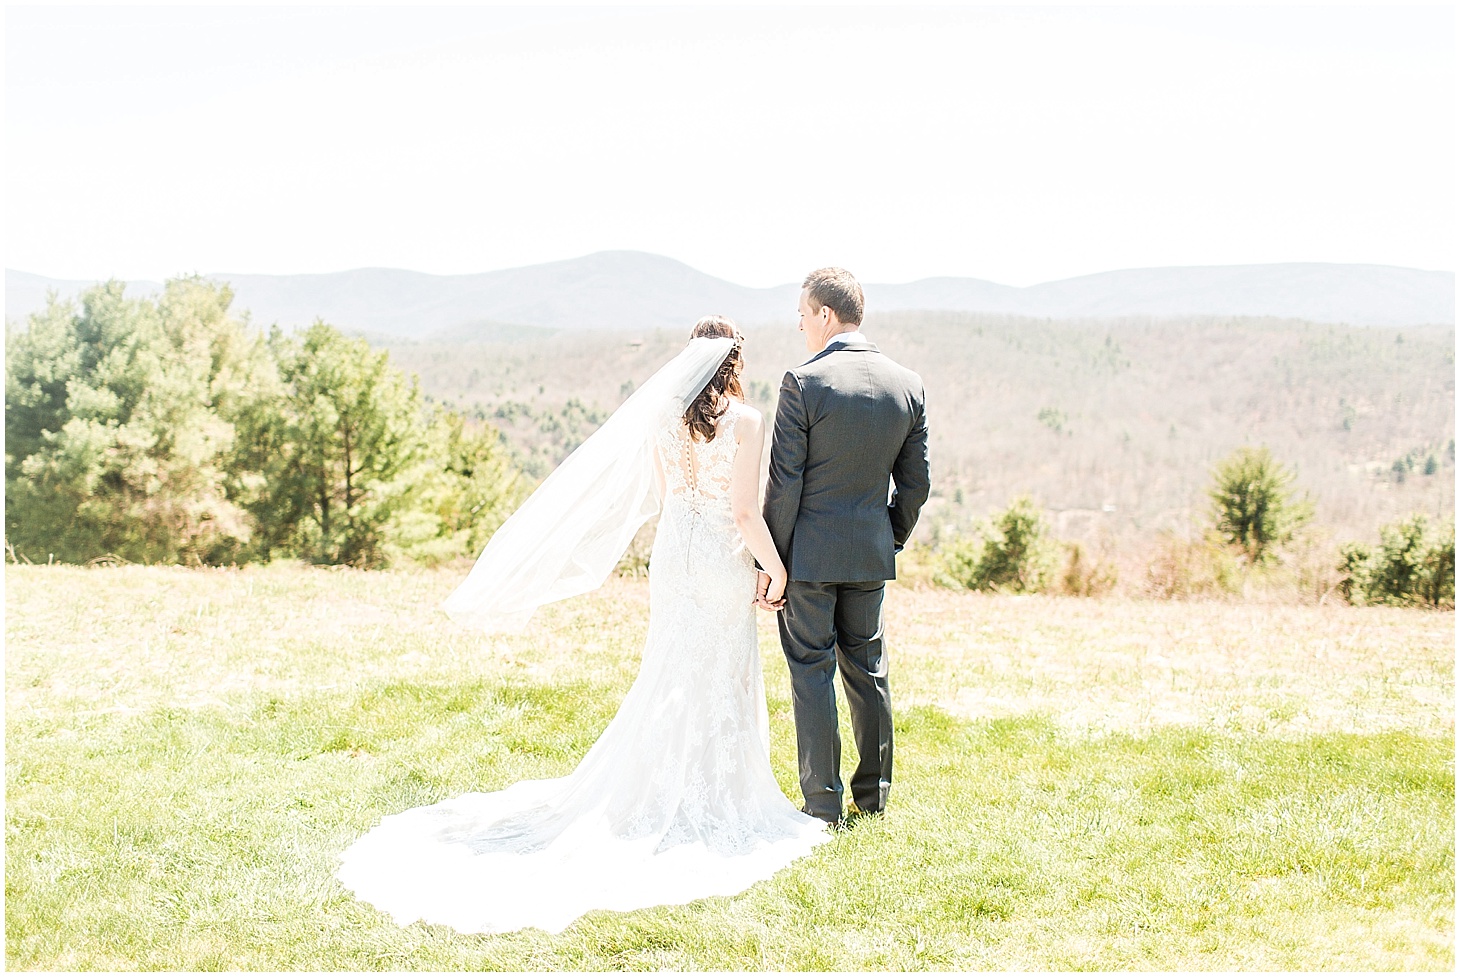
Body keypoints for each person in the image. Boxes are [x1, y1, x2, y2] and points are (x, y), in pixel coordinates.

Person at [336, 316, 829, 936]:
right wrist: (775, 569)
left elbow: (665, 495)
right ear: (735, 361)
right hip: (719, 558)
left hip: (674, 554)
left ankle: (656, 786)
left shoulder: (662, 415)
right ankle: (713, 787)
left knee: (670, 667)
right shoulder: (749, 422)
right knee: (721, 670)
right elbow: (743, 512)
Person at [761, 267, 930, 826]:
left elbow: (784, 484)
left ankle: (822, 803)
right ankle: (873, 796)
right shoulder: (907, 384)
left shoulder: (803, 383)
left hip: (807, 560)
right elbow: (917, 485)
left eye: (803, 315)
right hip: (868, 556)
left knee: (812, 673)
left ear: (826, 315)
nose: (801, 327)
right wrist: (887, 537)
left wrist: (772, 563)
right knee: (868, 669)